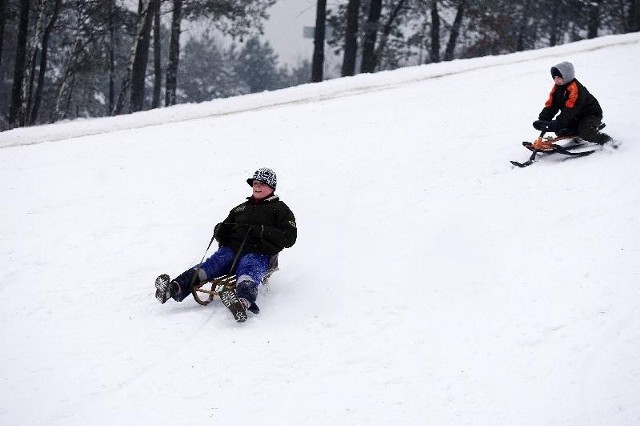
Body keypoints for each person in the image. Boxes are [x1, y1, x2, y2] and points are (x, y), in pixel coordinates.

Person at [155, 167, 297, 322]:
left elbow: (289, 237)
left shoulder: (281, 210)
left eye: (262, 184)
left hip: (259, 253)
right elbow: (225, 227)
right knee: (209, 266)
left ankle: (243, 302)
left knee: (248, 272)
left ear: (271, 187)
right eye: (255, 183)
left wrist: (261, 231)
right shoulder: (241, 208)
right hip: (232, 251)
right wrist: (220, 229)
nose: (256, 186)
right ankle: (174, 288)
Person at [532, 61, 612, 145]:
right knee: (561, 131)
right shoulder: (557, 89)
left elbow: (571, 109)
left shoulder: (575, 89)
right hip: (575, 116)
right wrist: (543, 120)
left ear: (567, 76)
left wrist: (558, 122)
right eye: (554, 77)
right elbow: (551, 105)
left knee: (585, 132)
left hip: (590, 115)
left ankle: (606, 140)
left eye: (559, 77)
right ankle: (578, 132)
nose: (556, 80)